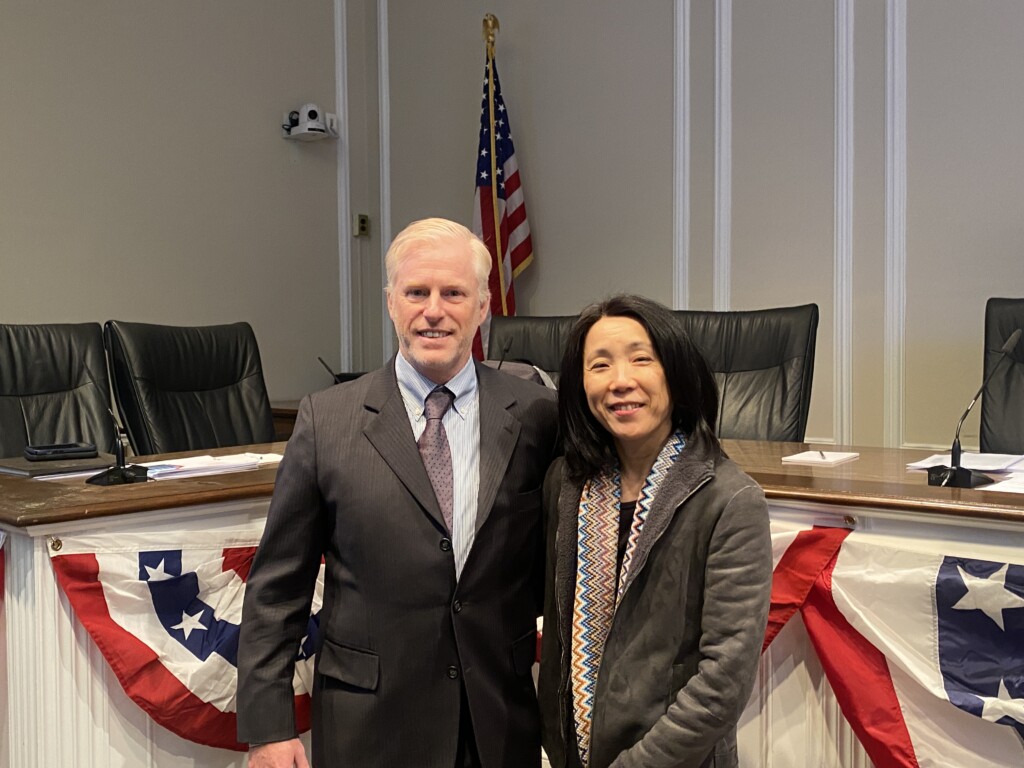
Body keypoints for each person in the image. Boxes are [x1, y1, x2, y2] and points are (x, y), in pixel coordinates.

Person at [237, 218, 559, 768]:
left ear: (482, 307)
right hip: (371, 725)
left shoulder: (535, 416)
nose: (434, 310)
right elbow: (277, 587)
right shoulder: (327, 421)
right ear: (391, 303)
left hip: (496, 723)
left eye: (453, 293)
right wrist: (269, 727)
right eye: (417, 292)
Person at [538, 294, 772, 768]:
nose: (621, 382)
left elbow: (723, 682)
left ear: (675, 372)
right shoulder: (565, 483)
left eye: (641, 359)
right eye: (599, 365)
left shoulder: (730, 499)